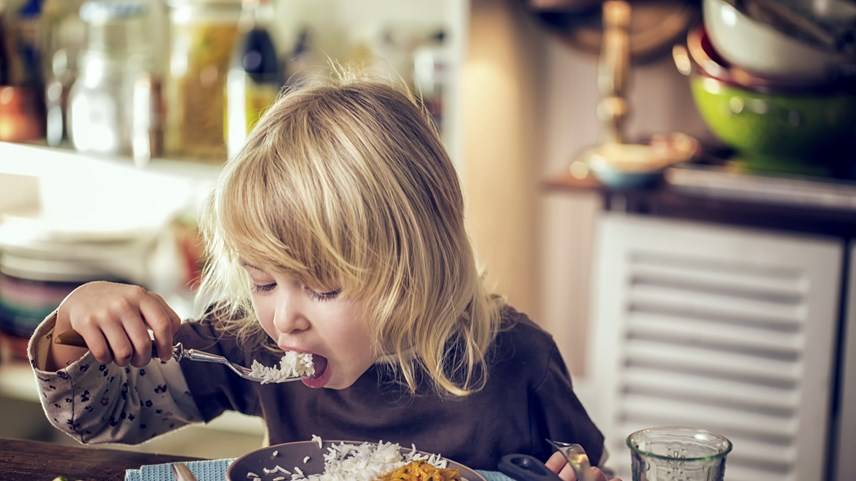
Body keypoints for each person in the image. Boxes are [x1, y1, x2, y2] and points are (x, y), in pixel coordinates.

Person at [28, 75, 617, 481]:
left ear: (415, 268)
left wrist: (577, 470)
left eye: (324, 288)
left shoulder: (518, 361)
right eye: (263, 283)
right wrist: (77, 326)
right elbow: (102, 415)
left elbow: (581, 463)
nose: (285, 317)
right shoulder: (253, 347)